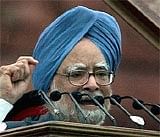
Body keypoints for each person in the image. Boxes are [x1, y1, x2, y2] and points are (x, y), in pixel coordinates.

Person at [0, 6, 121, 131]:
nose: (92, 84)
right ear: (50, 86)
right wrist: (5, 99)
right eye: (77, 74)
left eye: (101, 74)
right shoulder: (22, 133)